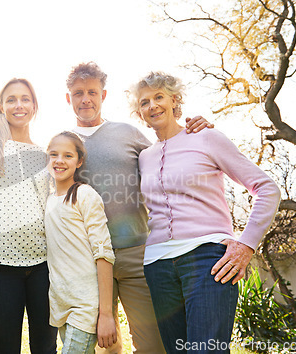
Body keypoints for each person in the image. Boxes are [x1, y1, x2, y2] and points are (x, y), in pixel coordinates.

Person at [127, 71, 281, 353]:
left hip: (207, 260)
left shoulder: (206, 137)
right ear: (139, 113)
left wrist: (246, 244)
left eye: (159, 97)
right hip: (158, 265)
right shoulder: (145, 157)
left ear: (175, 101)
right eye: (145, 102)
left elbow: (267, 189)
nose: (153, 106)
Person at [65, 62, 212, 354]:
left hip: (137, 254)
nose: (85, 99)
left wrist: (196, 128)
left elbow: (168, 152)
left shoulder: (127, 133)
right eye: (78, 93)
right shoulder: (64, 145)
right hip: (91, 258)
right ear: (68, 98)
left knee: (152, 345)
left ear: (103, 95)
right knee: (106, 344)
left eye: (92, 92)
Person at [0, 78, 57, 354]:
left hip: (43, 268)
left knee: (45, 349)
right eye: (11, 99)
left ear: (34, 106)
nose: (18, 105)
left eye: (25, 99)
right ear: (1, 106)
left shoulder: (46, 156)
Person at [45, 131, 117, 353]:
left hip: (85, 306)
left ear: (79, 161)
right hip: (61, 304)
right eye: (53, 154)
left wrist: (105, 314)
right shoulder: (49, 200)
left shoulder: (85, 194)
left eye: (68, 156)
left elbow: (104, 254)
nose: (59, 161)